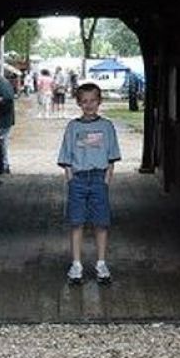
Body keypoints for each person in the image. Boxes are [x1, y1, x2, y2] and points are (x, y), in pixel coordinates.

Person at [57, 82, 121, 284]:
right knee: (77, 222)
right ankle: (76, 264)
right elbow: (66, 154)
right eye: (84, 101)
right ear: (79, 103)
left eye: (93, 100)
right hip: (78, 178)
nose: (89, 105)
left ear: (99, 101)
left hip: (98, 178)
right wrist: (70, 178)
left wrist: (106, 179)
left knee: (101, 223)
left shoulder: (107, 126)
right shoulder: (73, 127)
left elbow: (111, 156)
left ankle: (101, 263)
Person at [0, 73, 15, 173]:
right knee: (2, 142)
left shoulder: (4, 84)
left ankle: (4, 164)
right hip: (2, 119)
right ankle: (3, 164)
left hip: (3, 120)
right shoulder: (2, 84)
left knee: (3, 142)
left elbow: (8, 98)